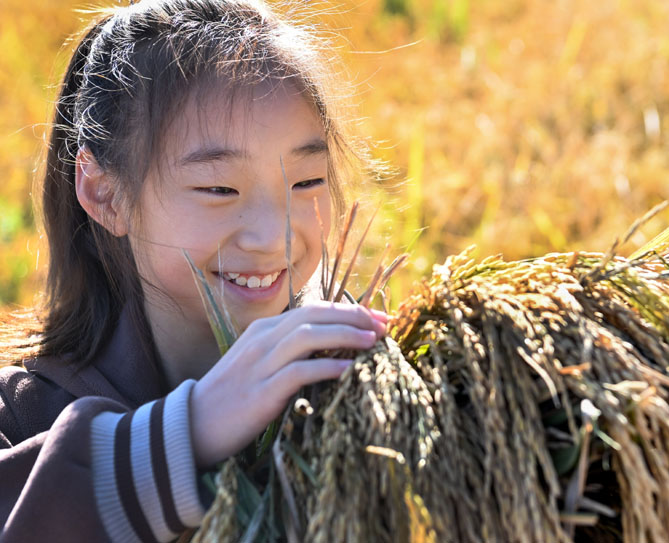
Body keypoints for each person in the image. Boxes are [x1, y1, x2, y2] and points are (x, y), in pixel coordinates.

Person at [0, 1, 387, 541]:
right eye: (219, 189)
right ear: (104, 193)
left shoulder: (364, 381)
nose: (273, 235)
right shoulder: (18, 418)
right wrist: (191, 431)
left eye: (306, 182)